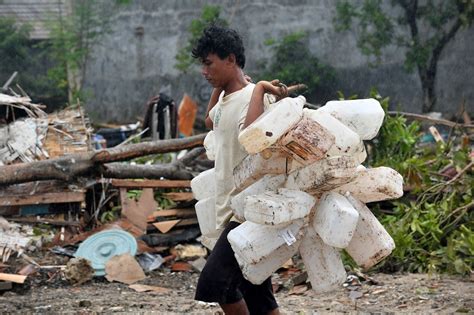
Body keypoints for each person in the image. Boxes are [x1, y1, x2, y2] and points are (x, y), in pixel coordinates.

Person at [192, 25, 288, 315]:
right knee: (257, 295)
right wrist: (219, 87)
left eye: (209, 64)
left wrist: (258, 87)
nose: (204, 71)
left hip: (246, 211)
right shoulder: (224, 98)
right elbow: (211, 122)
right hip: (228, 205)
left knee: (215, 283)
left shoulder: (254, 97)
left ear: (230, 59)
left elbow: (253, 137)